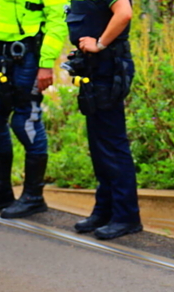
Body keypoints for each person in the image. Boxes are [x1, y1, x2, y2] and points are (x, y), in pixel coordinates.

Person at [0, 0, 68, 218]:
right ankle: (1, 192)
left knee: (25, 122)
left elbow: (58, 18)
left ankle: (33, 197)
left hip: (29, 56)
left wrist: (46, 62)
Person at [66, 0, 142, 240]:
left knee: (112, 145)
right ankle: (105, 210)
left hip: (108, 69)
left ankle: (126, 217)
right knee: (99, 146)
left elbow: (124, 13)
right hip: (94, 69)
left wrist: (99, 44)